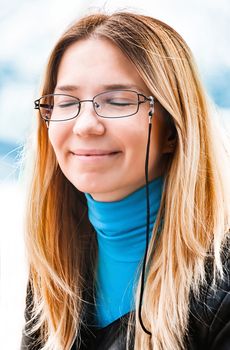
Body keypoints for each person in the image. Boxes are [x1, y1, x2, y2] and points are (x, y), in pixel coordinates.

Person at [20, 11, 230, 350]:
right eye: (66, 102)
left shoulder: (220, 291)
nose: (86, 124)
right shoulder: (56, 267)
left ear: (173, 131)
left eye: (117, 101)